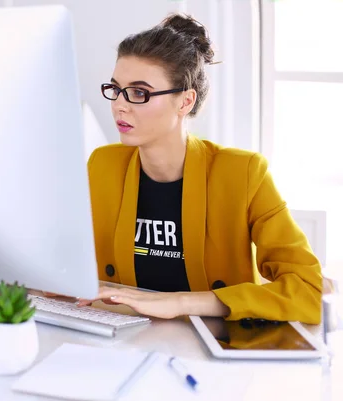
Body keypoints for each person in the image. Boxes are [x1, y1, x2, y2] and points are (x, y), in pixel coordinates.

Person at [73, 13, 322, 324]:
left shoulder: (243, 173)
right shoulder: (103, 164)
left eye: (139, 93)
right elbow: (71, 257)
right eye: (115, 89)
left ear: (185, 102)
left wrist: (181, 303)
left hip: (215, 348)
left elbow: (307, 292)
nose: (119, 105)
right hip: (127, 340)